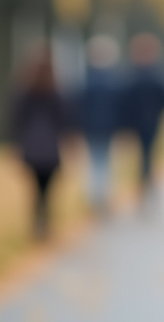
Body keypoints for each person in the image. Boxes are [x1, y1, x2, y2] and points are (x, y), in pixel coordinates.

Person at [11, 48, 70, 240]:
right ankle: (44, 221)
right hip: (50, 147)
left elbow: (17, 119)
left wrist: (17, 143)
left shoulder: (24, 91)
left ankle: (37, 222)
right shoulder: (56, 91)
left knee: (35, 188)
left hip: (31, 146)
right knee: (47, 190)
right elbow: (63, 119)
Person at [76, 35, 125, 213]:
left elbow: (80, 106)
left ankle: (95, 196)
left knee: (94, 161)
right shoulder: (114, 81)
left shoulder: (86, 80)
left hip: (91, 127)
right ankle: (101, 196)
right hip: (108, 127)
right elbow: (119, 108)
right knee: (104, 161)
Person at [122, 32, 164, 196]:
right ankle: (147, 181)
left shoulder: (131, 75)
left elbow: (125, 100)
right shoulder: (158, 74)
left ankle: (144, 181)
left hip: (136, 122)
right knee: (148, 153)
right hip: (151, 121)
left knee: (143, 154)